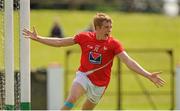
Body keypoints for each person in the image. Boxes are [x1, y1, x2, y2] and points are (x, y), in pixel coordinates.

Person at [23, 13, 166, 110]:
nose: (109, 30)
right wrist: (39, 38)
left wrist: (148, 75)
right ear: (97, 28)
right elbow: (60, 41)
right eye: (106, 27)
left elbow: (128, 61)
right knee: (72, 99)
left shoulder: (114, 44)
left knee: (86, 109)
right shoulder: (84, 37)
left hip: (100, 85)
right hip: (84, 76)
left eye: (110, 27)